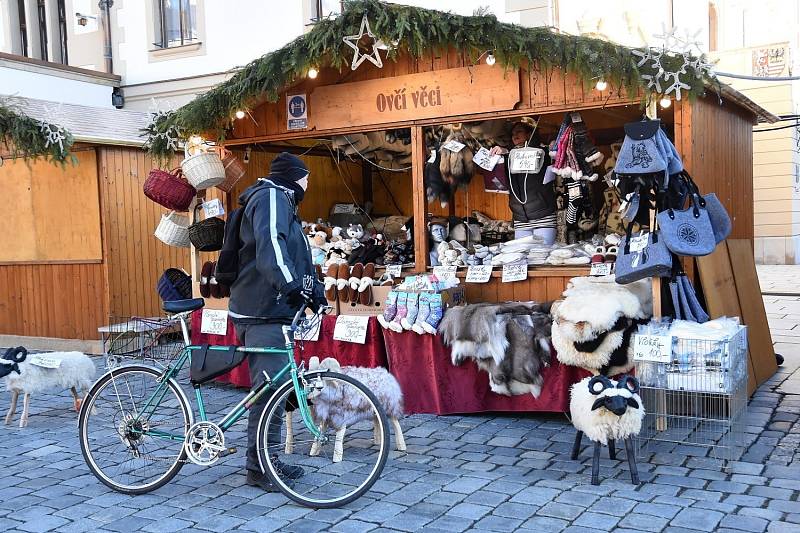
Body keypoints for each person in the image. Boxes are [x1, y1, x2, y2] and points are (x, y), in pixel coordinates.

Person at [228, 152, 326, 491]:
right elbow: (271, 248)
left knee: (273, 389)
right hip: (261, 309)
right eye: (307, 178)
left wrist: (315, 292)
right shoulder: (271, 197)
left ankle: (266, 459)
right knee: (268, 391)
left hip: (272, 309)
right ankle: (258, 468)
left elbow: (296, 256)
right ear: (294, 177)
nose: (308, 184)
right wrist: (291, 287)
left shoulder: (282, 200)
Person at [490, 118, 556, 244]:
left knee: (542, 256)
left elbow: (550, 155)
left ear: (529, 134)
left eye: (519, 131)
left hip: (543, 214)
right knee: (522, 257)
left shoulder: (543, 152)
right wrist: (503, 153)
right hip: (520, 216)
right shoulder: (508, 155)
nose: (515, 135)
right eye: (513, 133)